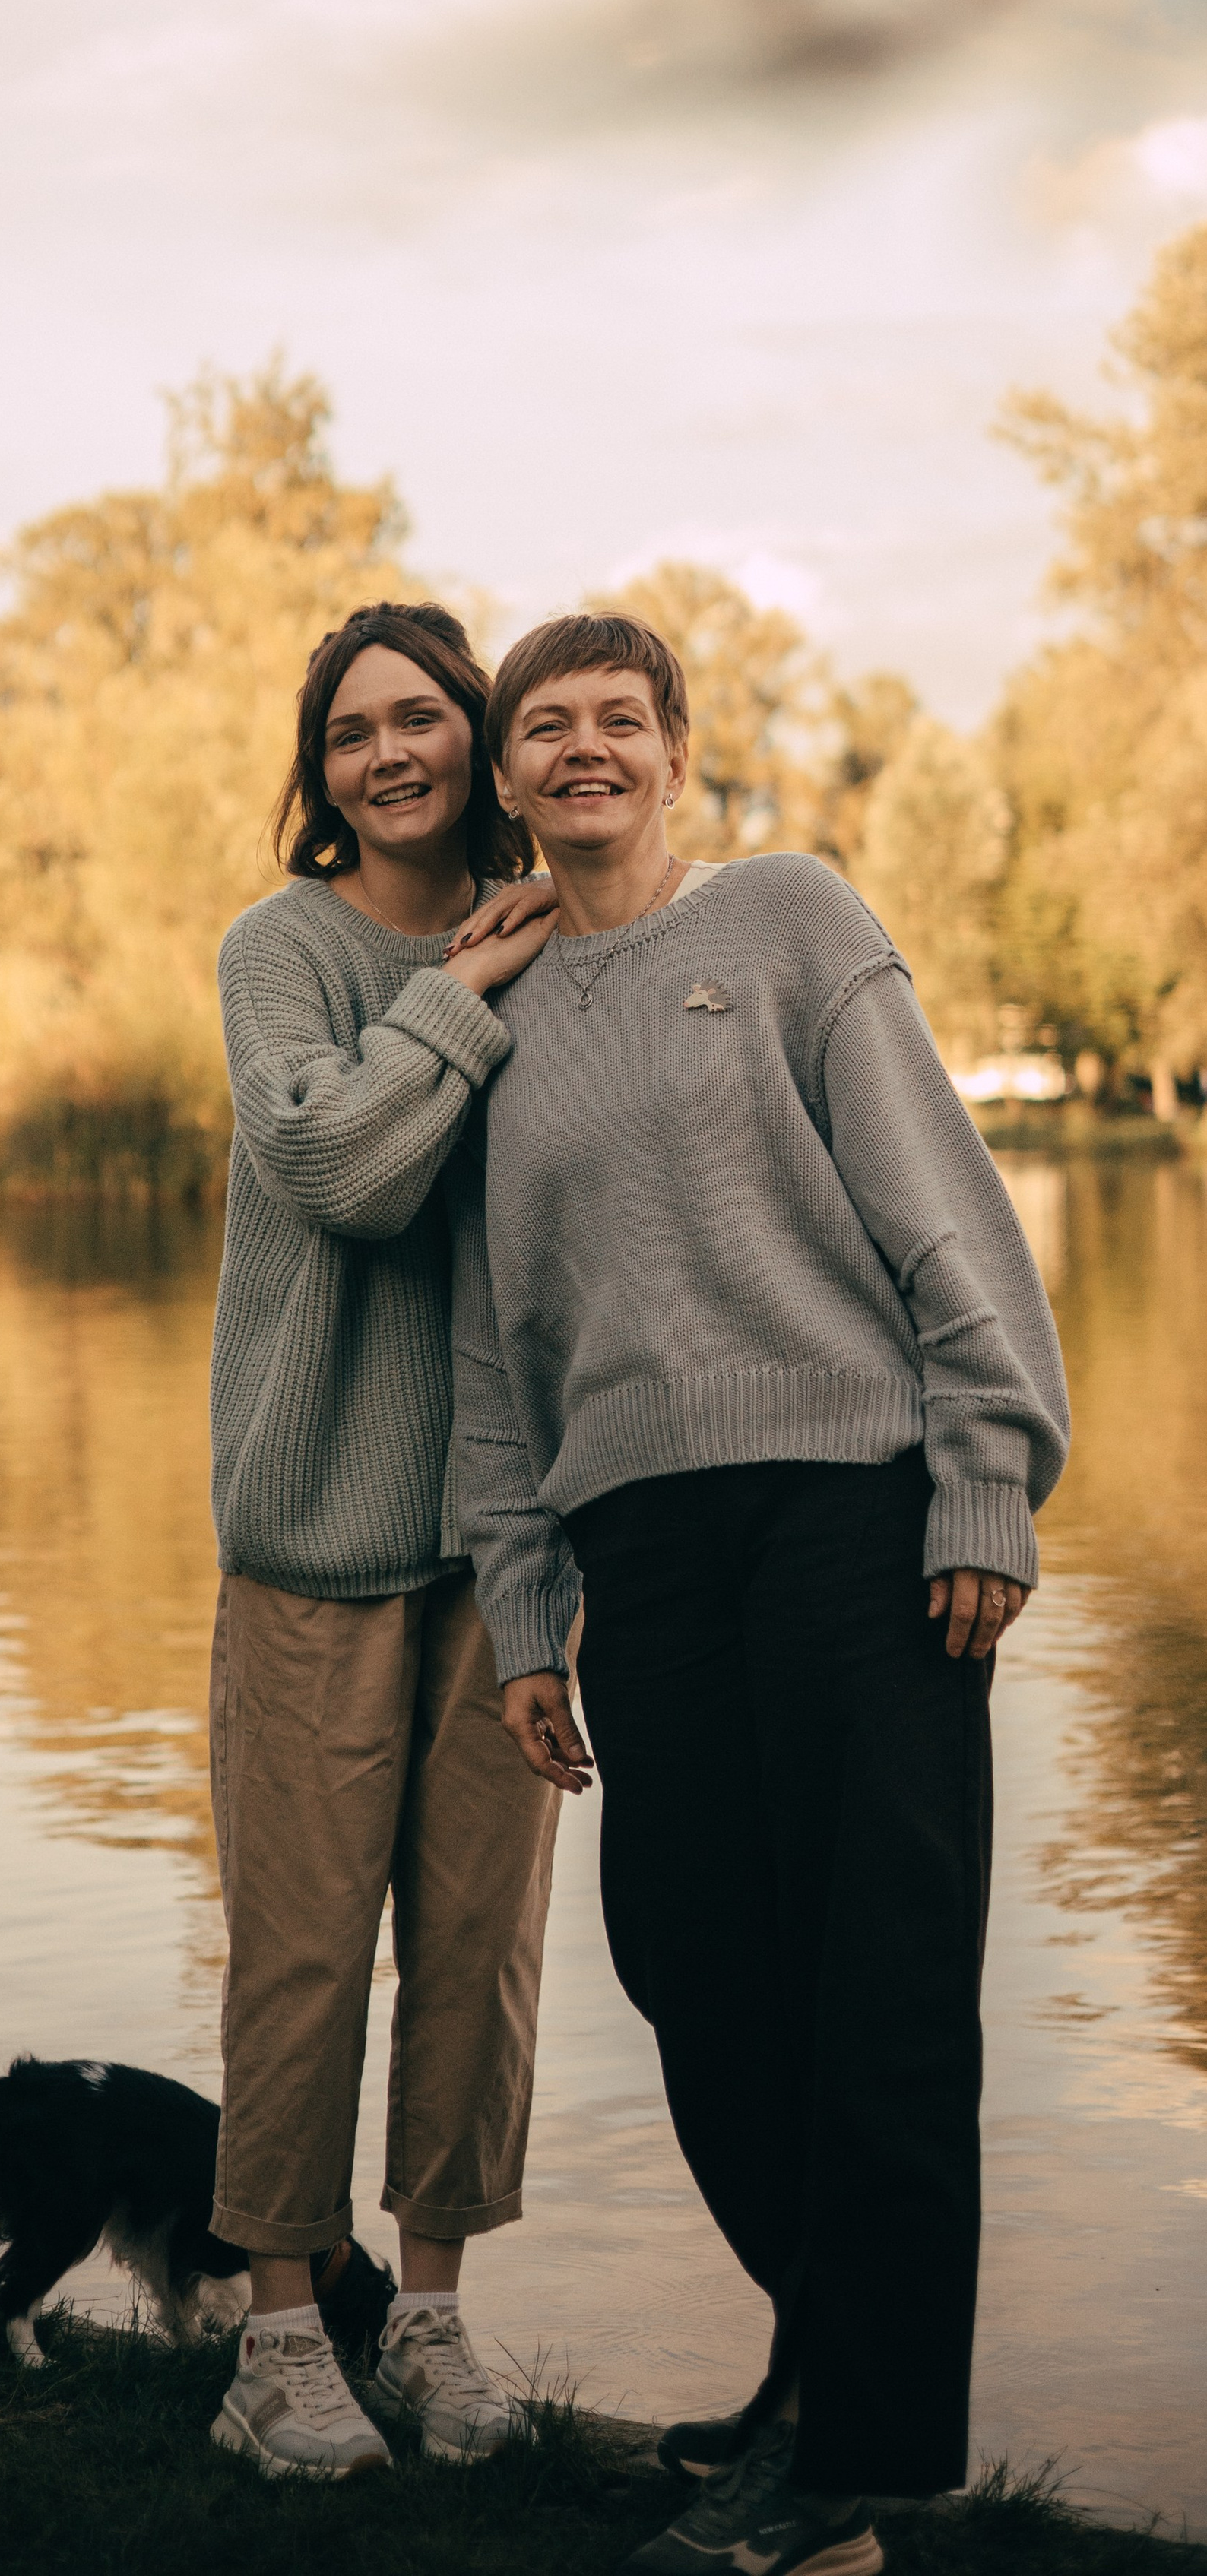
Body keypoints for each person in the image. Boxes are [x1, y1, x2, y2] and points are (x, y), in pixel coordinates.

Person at [445, 610, 1069, 2576]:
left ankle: (837, 2474)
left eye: (620, 719)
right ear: (507, 777)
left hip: (854, 1518)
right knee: (697, 1969)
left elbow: (937, 1206)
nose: (584, 749)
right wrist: (524, 1611)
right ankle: (817, 2372)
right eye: (547, 726)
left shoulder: (787, 917)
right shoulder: (493, 1014)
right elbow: (490, 1356)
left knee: (876, 1981)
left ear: (676, 753)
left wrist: (984, 1473)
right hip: (641, 1550)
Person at [206, 600, 575, 2482]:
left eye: (419, 716)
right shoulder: (278, 951)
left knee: (478, 1952)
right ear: (321, 772)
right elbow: (338, 1171)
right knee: (298, 1953)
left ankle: (425, 2320)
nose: (387, 753)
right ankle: (276, 2341)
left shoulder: (562, 934)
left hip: (509, 1544)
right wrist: (460, 995)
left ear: (473, 738)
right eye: (350, 732)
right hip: (314, 1539)